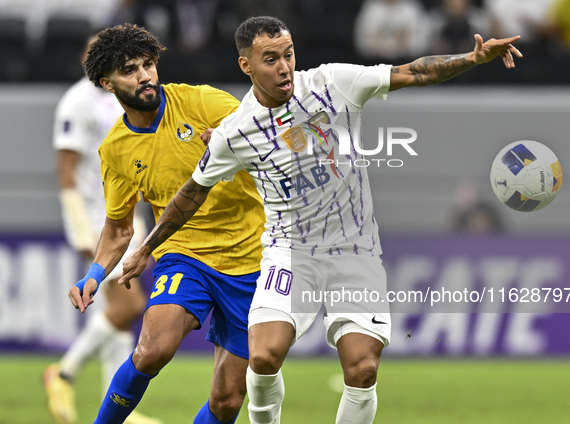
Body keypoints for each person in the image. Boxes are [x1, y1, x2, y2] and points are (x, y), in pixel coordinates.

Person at [115, 16, 522, 424]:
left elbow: (411, 72)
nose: (284, 67)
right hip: (290, 253)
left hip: (355, 250)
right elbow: (192, 192)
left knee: (362, 368)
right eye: (270, 58)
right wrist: (146, 248)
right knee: (263, 355)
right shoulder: (235, 132)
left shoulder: (332, 84)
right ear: (247, 66)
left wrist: (472, 58)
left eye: (288, 55)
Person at [67, 24, 266, 424]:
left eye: (148, 64)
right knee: (151, 350)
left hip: (253, 259)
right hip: (184, 254)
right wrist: (94, 274)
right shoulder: (116, 149)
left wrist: (238, 141)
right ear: (107, 83)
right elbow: (119, 227)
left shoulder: (203, 103)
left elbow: (271, 133)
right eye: (129, 69)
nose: (144, 76)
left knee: (227, 400)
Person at [45, 35, 159, 424]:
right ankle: (64, 372)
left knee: (121, 308)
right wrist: (81, 229)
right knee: (130, 305)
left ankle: (120, 407)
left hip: (124, 210)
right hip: (96, 217)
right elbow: (66, 173)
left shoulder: (122, 97)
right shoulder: (77, 101)